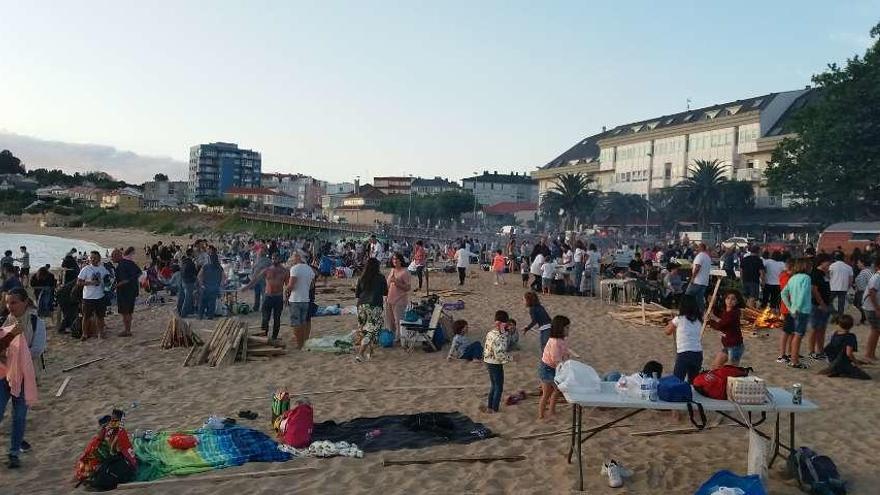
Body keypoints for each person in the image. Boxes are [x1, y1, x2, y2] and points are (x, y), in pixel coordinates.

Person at [0, 288, 47, 468]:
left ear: (25, 302)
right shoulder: (6, 321)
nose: (9, 306)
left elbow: (37, 349)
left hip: (25, 376)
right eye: (7, 302)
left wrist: (10, 351)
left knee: (19, 416)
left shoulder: (36, 323)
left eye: (13, 302)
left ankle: (14, 452)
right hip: (5, 374)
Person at [241, 253, 288, 345]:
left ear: (280, 259)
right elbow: (255, 280)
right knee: (265, 318)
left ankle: (274, 337)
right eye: (273, 258)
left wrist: (287, 298)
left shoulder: (284, 271)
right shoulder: (266, 270)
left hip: (278, 297)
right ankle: (264, 336)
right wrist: (246, 287)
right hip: (268, 297)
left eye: (276, 258)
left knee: (277, 319)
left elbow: (287, 285)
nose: (274, 260)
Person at [780, 258, 813, 369]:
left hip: (794, 310)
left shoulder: (793, 278)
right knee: (798, 335)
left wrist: (790, 307)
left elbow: (783, 294)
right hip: (802, 311)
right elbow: (803, 294)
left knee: (795, 334)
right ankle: (794, 360)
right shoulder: (806, 278)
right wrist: (797, 308)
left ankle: (794, 359)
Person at [538, 315, 571, 420]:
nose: (568, 330)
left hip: (555, 368)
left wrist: (567, 361)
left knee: (556, 391)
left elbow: (565, 353)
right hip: (547, 369)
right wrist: (563, 369)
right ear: (560, 329)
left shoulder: (562, 340)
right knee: (546, 393)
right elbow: (556, 359)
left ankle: (551, 411)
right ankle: (541, 416)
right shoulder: (554, 342)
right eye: (567, 328)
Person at [354, 258, 387, 362]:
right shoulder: (381, 277)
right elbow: (385, 292)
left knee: (364, 329)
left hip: (361, 306)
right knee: (372, 330)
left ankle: (371, 352)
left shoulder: (361, 277)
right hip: (375, 306)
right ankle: (360, 353)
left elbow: (357, 294)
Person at [663, 295, 703, 382]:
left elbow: (667, 331)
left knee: (677, 380)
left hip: (684, 353)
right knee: (693, 381)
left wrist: (670, 322)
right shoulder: (699, 320)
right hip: (697, 353)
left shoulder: (679, 319)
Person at [481, 310, 512, 414]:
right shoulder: (501, 336)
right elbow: (500, 354)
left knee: (494, 385)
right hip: (495, 363)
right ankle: (494, 408)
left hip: (488, 361)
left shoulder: (490, 333)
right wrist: (511, 358)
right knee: (498, 386)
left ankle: (490, 406)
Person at [707, 290, 744, 367]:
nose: (729, 301)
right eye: (728, 298)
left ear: (737, 301)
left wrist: (712, 319)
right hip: (727, 346)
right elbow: (718, 313)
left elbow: (721, 325)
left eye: (733, 299)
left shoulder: (735, 313)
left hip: (735, 346)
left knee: (732, 371)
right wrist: (712, 304)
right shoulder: (725, 311)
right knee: (715, 366)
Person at [77, 251, 109, 339]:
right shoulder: (85, 269)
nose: (92, 259)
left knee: (100, 317)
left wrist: (107, 284)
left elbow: (108, 280)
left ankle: (101, 333)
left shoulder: (103, 269)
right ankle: (84, 334)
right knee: (86, 317)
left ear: (99, 259)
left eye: (95, 258)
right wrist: (90, 282)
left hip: (100, 296)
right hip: (88, 297)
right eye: (91, 258)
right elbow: (79, 282)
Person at [112, 249, 141, 337]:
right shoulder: (130, 262)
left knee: (125, 312)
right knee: (129, 311)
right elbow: (139, 272)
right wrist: (133, 280)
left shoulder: (121, 267)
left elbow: (125, 280)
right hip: (133, 290)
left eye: (113, 256)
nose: (111, 259)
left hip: (125, 292)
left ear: (118, 256)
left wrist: (114, 286)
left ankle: (127, 330)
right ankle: (128, 329)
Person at [808, 254, 832, 360]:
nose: (829, 264)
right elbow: (814, 290)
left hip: (826, 304)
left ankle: (820, 351)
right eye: (828, 262)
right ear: (822, 262)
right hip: (817, 305)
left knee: (822, 329)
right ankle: (812, 351)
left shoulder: (824, 274)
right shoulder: (815, 273)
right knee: (814, 328)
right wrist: (821, 303)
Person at [384, 253, 411, 341]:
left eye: (397, 259)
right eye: (393, 259)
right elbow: (388, 284)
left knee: (398, 320)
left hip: (399, 299)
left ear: (401, 260)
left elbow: (408, 287)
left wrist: (396, 282)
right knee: (390, 320)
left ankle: (399, 337)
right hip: (389, 298)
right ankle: (391, 336)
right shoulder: (392, 270)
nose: (395, 261)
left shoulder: (405, 272)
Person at [775, 258, 794, 364]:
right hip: (787, 308)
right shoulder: (785, 277)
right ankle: (782, 355)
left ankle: (790, 352)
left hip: (789, 307)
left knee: (791, 332)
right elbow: (787, 291)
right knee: (786, 332)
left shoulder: (787, 276)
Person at [685, 243, 712, 314]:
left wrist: (692, 278)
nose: (696, 249)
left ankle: (685, 312)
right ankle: (701, 314)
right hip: (704, 282)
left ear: (701, 248)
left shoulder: (700, 256)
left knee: (688, 296)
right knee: (699, 299)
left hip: (697, 281)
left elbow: (697, 267)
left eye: (697, 248)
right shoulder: (708, 257)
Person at [862, 257, 880, 362]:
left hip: (872, 307)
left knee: (875, 330)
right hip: (871, 308)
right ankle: (869, 354)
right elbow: (872, 293)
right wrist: (877, 308)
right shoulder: (876, 277)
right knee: (876, 330)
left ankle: (870, 354)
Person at [197, 253, 225, 321]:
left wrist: (201, 284)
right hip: (214, 288)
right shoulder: (219, 267)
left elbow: (199, 276)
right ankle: (210, 317)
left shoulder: (205, 266)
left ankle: (200, 316)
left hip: (205, 287)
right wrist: (220, 285)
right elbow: (223, 278)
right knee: (212, 303)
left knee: (203, 302)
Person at [178, 249, 198, 317]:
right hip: (188, 282)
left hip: (183, 281)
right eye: (194, 252)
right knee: (188, 298)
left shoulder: (183, 262)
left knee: (183, 297)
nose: (195, 254)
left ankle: (182, 311)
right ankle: (183, 313)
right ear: (191, 253)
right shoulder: (191, 263)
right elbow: (195, 273)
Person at [854, 257, 872, 325]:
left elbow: (872, 281)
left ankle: (865, 319)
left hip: (864, 292)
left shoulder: (867, 271)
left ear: (863, 263)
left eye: (858, 262)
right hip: (860, 291)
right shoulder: (863, 271)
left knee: (862, 306)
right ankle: (863, 318)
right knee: (858, 305)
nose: (857, 264)